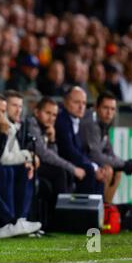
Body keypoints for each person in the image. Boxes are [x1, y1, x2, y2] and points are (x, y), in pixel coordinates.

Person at [28, 96, 86, 228]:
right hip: (28, 164)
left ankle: (61, 217)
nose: (51, 118)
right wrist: (73, 168)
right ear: (37, 112)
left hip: (38, 165)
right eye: (47, 113)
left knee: (64, 173)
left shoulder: (45, 128)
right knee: (60, 172)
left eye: (54, 115)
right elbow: (44, 154)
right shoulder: (32, 124)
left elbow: (52, 155)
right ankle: (62, 219)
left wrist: (52, 139)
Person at [79, 91, 132, 203]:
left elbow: (109, 151)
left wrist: (122, 164)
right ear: (96, 107)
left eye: (112, 109)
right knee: (108, 171)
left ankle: (106, 208)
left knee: (117, 172)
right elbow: (95, 156)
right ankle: (99, 211)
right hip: (83, 161)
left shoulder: (104, 123)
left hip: (90, 160)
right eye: (105, 108)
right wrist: (123, 164)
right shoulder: (91, 123)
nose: (109, 113)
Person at [0, 90, 41, 232]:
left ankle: (20, 219)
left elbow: (15, 153)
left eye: (20, 106)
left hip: (5, 166)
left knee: (26, 168)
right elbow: (4, 158)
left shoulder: (16, 126)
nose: (18, 110)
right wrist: (28, 155)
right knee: (11, 170)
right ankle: (10, 222)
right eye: (14, 105)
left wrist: (27, 160)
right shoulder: (0, 124)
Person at [54, 86, 107, 195]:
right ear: (66, 102)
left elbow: (81, 151)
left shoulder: (78, 120)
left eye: (84, 103)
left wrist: (95, 166)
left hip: (74, 161)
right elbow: (68, 151)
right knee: (89, 170)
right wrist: (93, 167)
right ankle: (85, 210)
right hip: (63, 163)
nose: (81, 107)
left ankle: (99, 210)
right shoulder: (61, 120)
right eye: (77, 102)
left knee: (99, 170)